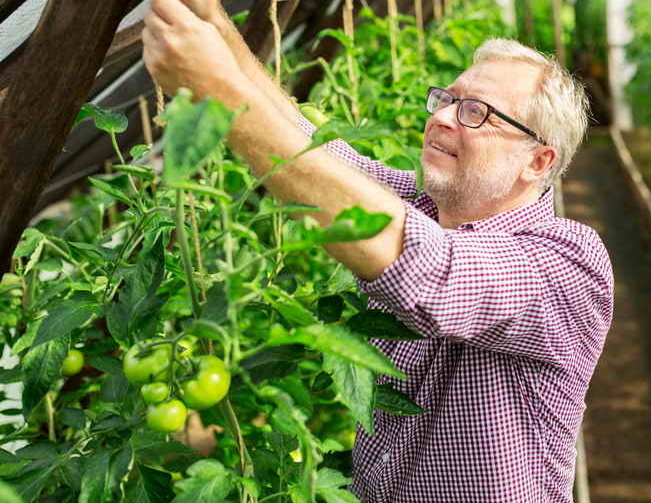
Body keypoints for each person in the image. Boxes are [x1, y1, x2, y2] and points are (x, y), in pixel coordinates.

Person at [140, 0, 614, 501]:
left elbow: (429, 270)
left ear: (538, 161)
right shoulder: (423, 204)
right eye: (447, 99)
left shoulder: (568, 263)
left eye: (476, 112)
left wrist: (217, 90)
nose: (445, 118)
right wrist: (216, 25)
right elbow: (314, 152)